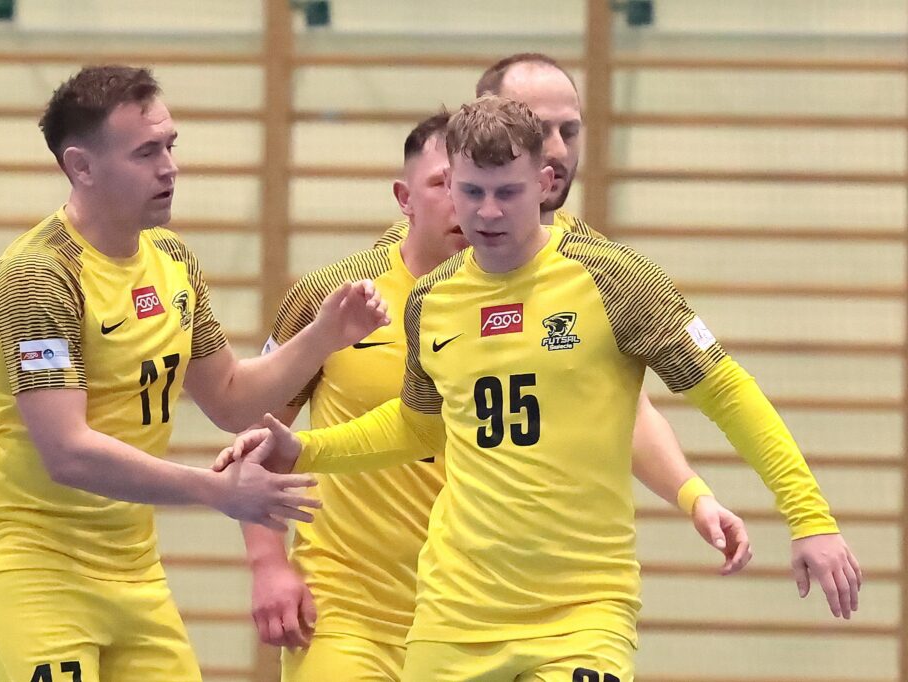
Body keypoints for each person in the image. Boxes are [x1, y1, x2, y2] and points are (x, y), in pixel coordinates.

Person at [224, 95, 861, 682]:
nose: (487, 212)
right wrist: (306, 450)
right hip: (455, 614)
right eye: (470, 191)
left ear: (545, 184)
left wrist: (810, 519)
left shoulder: (613, 280)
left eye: (507, 192)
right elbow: (418, 426)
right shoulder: (432, 301)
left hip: (581, 613)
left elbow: (728, 393)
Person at [379, 51, 863, 617]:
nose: (557, 148)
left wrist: (694, 493)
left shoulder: (600, 274)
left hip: (540, 591)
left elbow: (627, 408)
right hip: (387, 591)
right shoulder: (380, 283)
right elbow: (401, 423)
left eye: (569, 131)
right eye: (539, 127)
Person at [0, 65, 389, 682]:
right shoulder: (40, 276)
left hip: (131, 570)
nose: (169, 167)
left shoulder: (172, 260)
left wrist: (323, 336)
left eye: (170, 145)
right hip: (30, 566)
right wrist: (215, 490)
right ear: (81, 167)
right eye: (146, 152)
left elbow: (233, 400)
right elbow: (67, 452)